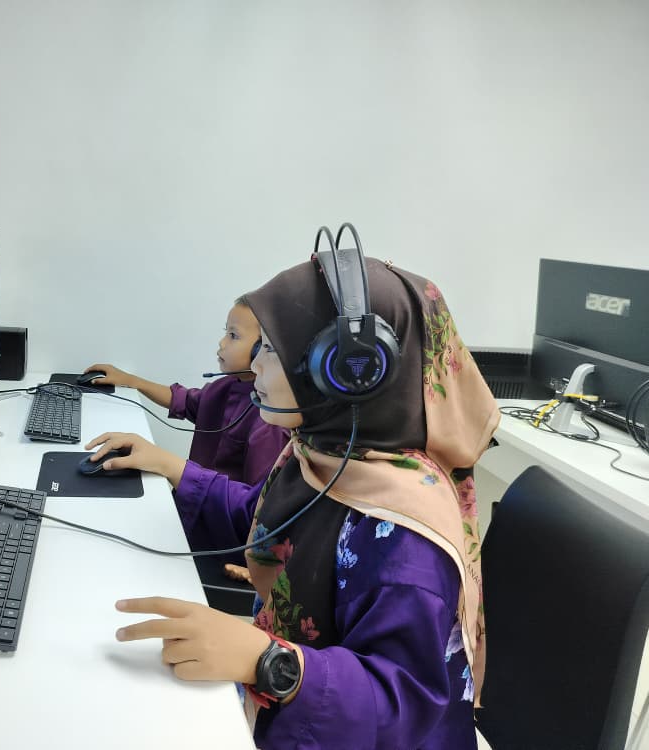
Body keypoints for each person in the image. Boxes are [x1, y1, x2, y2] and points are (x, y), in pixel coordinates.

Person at [87, 256, 498, 749]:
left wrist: (265, 660)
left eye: (271, 349)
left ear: (345, 371)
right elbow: (262, 521)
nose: (256, 363)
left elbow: (403, 706)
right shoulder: (324, 455)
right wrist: (171, 469)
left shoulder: (403, 537)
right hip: (294, 704)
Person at [84, 297, 288, 487]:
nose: (222, 342)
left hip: (215, 509)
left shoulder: (269, 420)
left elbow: (253, 502)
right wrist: (132, 381)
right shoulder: (225, 386)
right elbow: (184, 400)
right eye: (225, 332)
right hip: (192, 500)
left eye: (233, 335)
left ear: (263, 348)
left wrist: (164, 463)